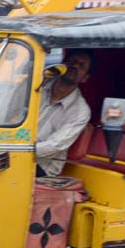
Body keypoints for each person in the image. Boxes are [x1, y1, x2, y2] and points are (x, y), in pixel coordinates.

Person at [34, 49, 93, 177]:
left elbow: (55, 146)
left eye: (81, 65)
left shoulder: (80, 111)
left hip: (41, 166)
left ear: (85, 78)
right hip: (13, 153)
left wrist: (17, 150)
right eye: (72, 61)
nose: (75, 66)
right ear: (62, 65)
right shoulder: (36, 86)